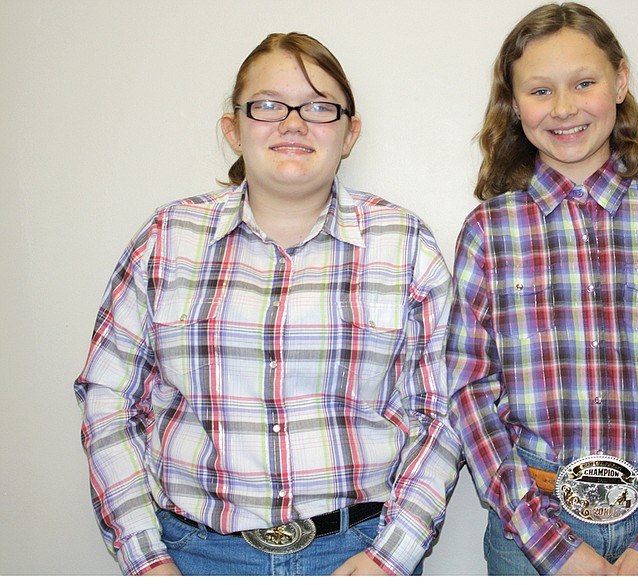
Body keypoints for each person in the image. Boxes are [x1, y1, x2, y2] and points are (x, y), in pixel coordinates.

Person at [74, 32, 459, 577]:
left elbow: (438, 415)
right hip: (193, 554)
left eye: (320, 106)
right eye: (268, 104)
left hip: (359, 552)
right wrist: (146, 559)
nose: (294, 122)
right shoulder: (167, 239)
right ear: (233, 128)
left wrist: (390, 558)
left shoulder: (405, 245)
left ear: (350, 133)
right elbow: (109, 400)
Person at [447, 2, 638, 576]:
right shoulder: (489, 232)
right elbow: (468, 389)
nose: (564, 108)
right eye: (539, 91)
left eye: (584, 83)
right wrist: (548, 543)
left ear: (620, 81)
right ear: (513, 104)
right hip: (532, 525)